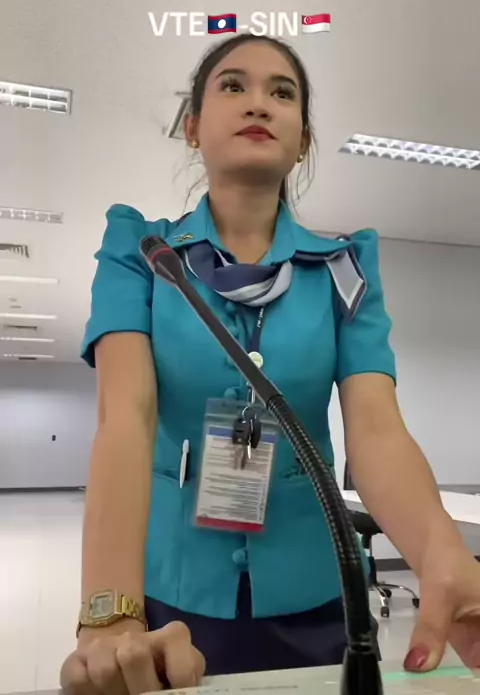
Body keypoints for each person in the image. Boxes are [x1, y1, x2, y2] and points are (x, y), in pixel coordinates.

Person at [61, 34, 480, 694]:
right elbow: (125, 421)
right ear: (192, 126)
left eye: (282, 93)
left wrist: (440, 553)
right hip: (172, 592)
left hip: (318, 588)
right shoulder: (140, 252)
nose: (258, 102)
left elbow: (377, 432)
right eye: (233, 85)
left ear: (303, 140)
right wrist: (109, 613)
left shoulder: (344, 268)